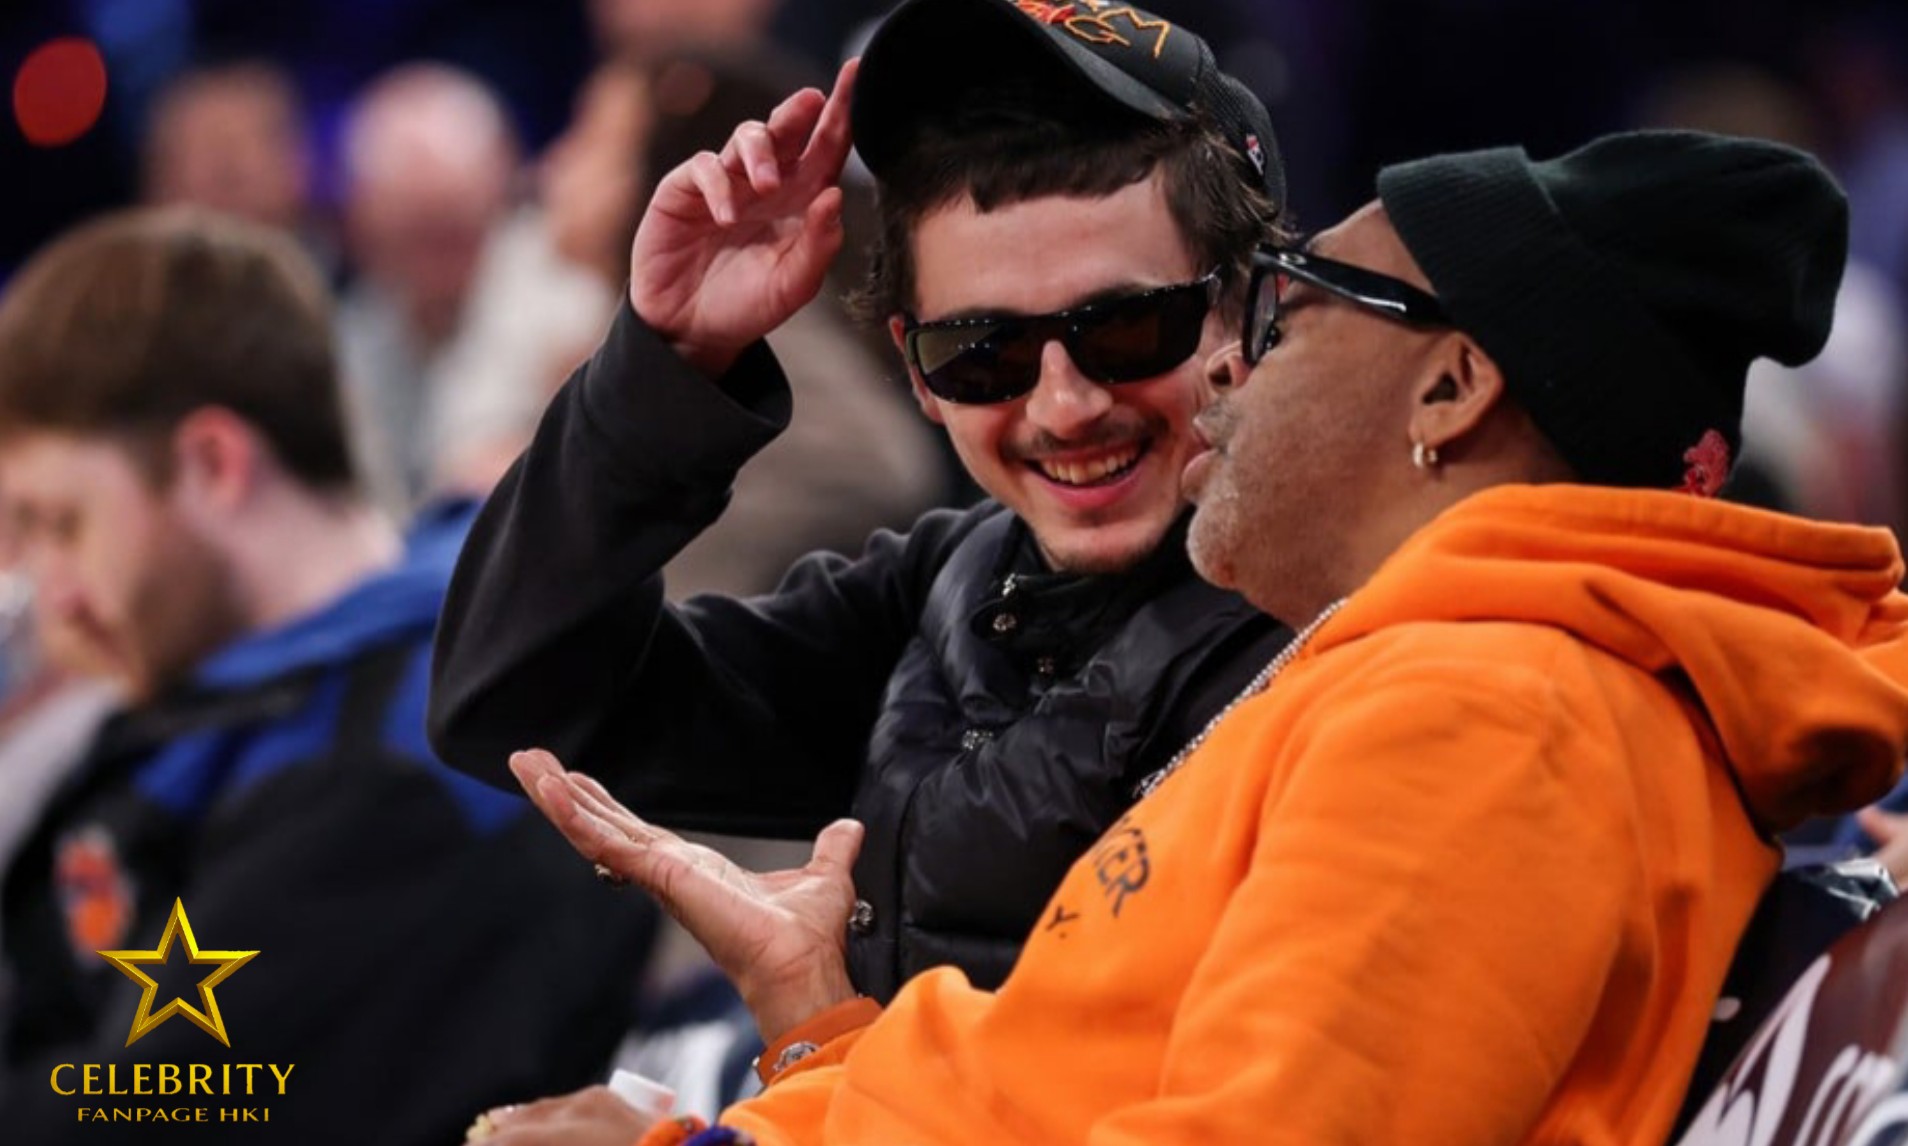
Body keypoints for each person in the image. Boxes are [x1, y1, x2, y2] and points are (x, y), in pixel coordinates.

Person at [484, 128, 1908, 1146]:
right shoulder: (1420, 674)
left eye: (1289, 312)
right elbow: (1066, 1091)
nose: (1231, 364)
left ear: (1453, 389)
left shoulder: (1495, 712)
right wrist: (808, 1040)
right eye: (982, 351)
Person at [428, 0, 1295, 1014]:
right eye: (983, 353)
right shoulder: (947, 589)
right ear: (917, 373)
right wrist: (666, 369)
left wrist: (815, 1037)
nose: (1064, 407)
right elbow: (516, 709)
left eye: (1126, 330)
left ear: (1252, 309)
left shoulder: (1340, 614)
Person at [0, 208, 657, 1143]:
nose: (54, 595)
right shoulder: (250, 695)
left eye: (64, 525)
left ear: (214, 464)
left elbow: (156, 1116)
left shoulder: (407, 754)